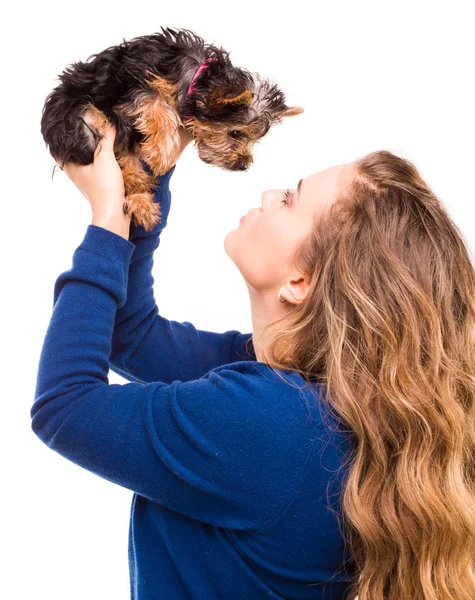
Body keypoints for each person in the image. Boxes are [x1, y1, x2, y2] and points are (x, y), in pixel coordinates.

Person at [31, 122, 475, 600]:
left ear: (301, 282)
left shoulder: (270, 421)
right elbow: (130, 334)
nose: (268, 194)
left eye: (290, 199)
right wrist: (146, 184)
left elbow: (66, 406)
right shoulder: (305, 395)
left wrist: (106, 224)